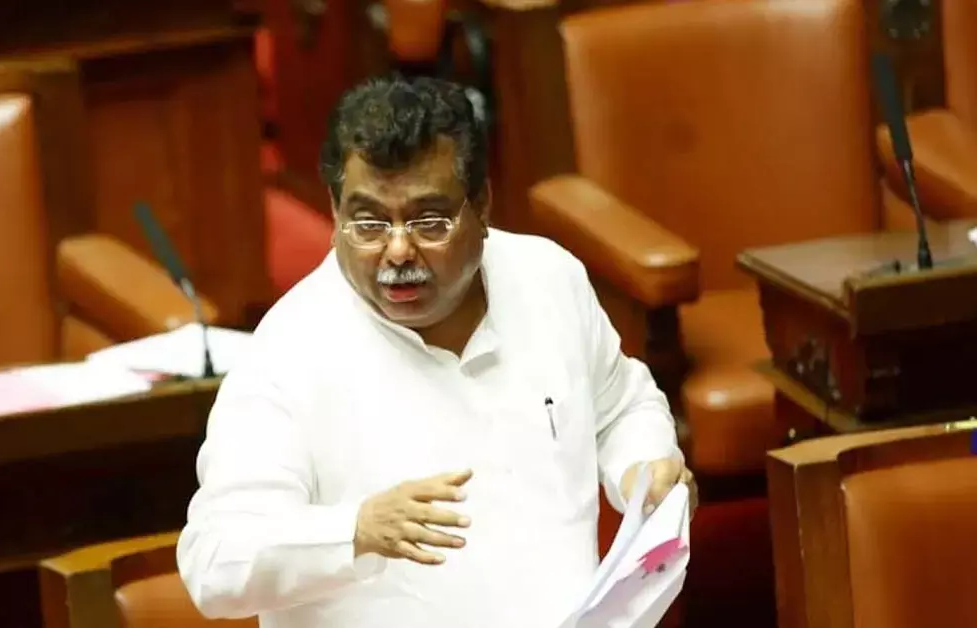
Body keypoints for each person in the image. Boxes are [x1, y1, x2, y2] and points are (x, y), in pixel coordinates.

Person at [177, 75, 696, 628]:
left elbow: (622, 408)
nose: (398, 250)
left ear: (482, 204)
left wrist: (645, 469)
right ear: (334, 212)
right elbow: (215, 559)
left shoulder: (548, 279)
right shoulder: (288, 350)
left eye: (429, 222)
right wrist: (356, 530)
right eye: (369, 223)